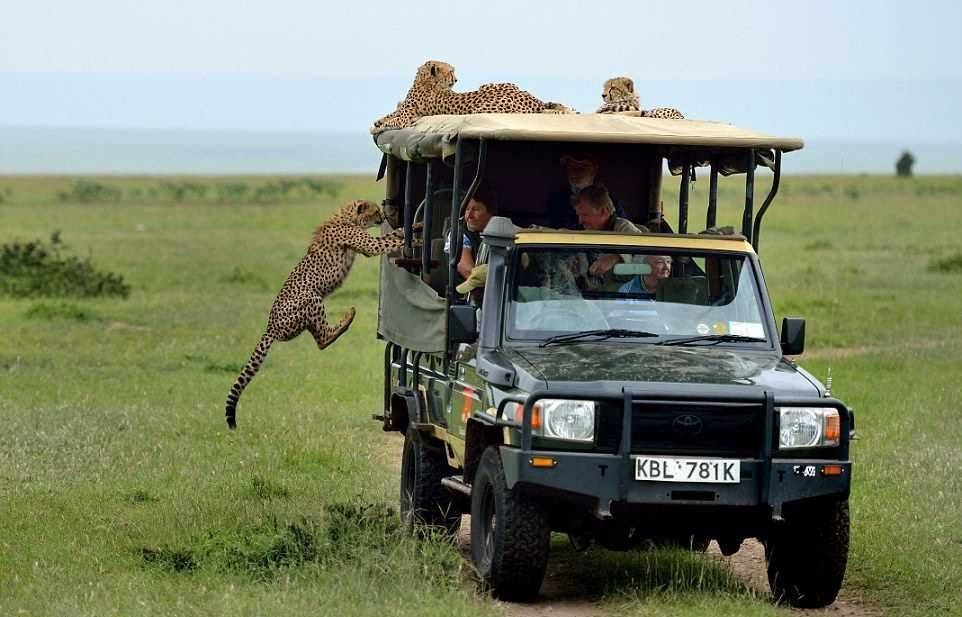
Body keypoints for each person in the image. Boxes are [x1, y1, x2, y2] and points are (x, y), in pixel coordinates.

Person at [570, 184, 647, 285]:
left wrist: (615, 258)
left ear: (603, 211)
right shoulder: (585, 231)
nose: (580, 221)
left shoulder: (623, 228)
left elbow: (644, 254)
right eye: (579, 215)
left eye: (585, 215)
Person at [546, 156, 626, 229]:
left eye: (584, 166)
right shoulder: (558, 200)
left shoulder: (610, 201)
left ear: (594, 170)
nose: (576, 171)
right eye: (571, 166)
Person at [444, 186, 497, 281]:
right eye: (467, 209)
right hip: (468, 293)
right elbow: (467, 270)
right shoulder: (459, 234)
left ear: (490, 213)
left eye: (476, 210)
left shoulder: (502, 232)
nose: (469, 216)